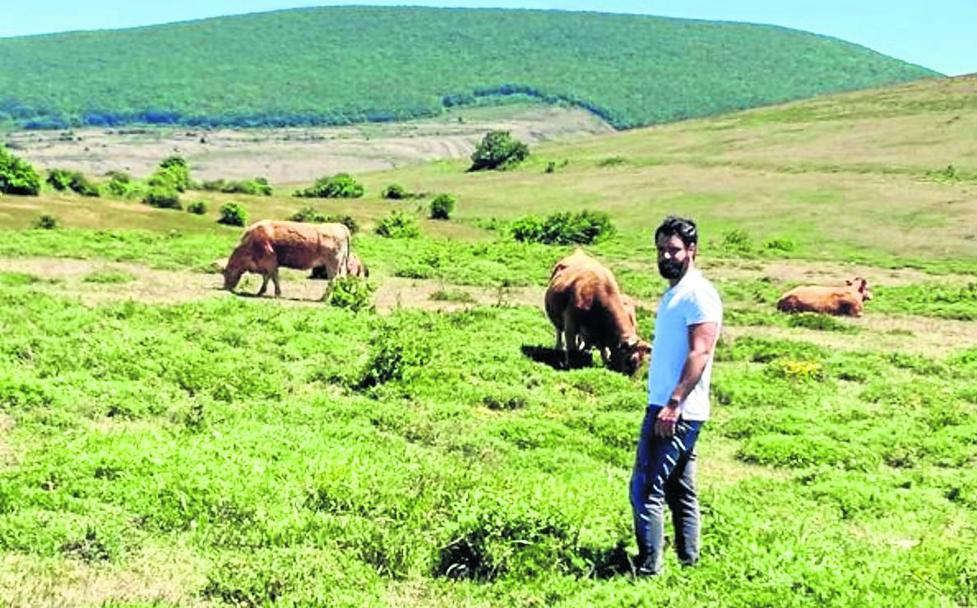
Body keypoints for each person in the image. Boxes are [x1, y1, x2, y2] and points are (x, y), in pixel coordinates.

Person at [630, 216, 723, 576]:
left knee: (646, 488)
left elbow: (701, 351)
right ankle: (690, 565)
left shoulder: (699, 293)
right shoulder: (677, 292)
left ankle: (648, 568)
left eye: (674, 249)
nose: (666, 256)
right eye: (661, 250)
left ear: (692, 251)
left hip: (676, 410)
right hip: (676, 407)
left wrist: (673, 403)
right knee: (680, 490)